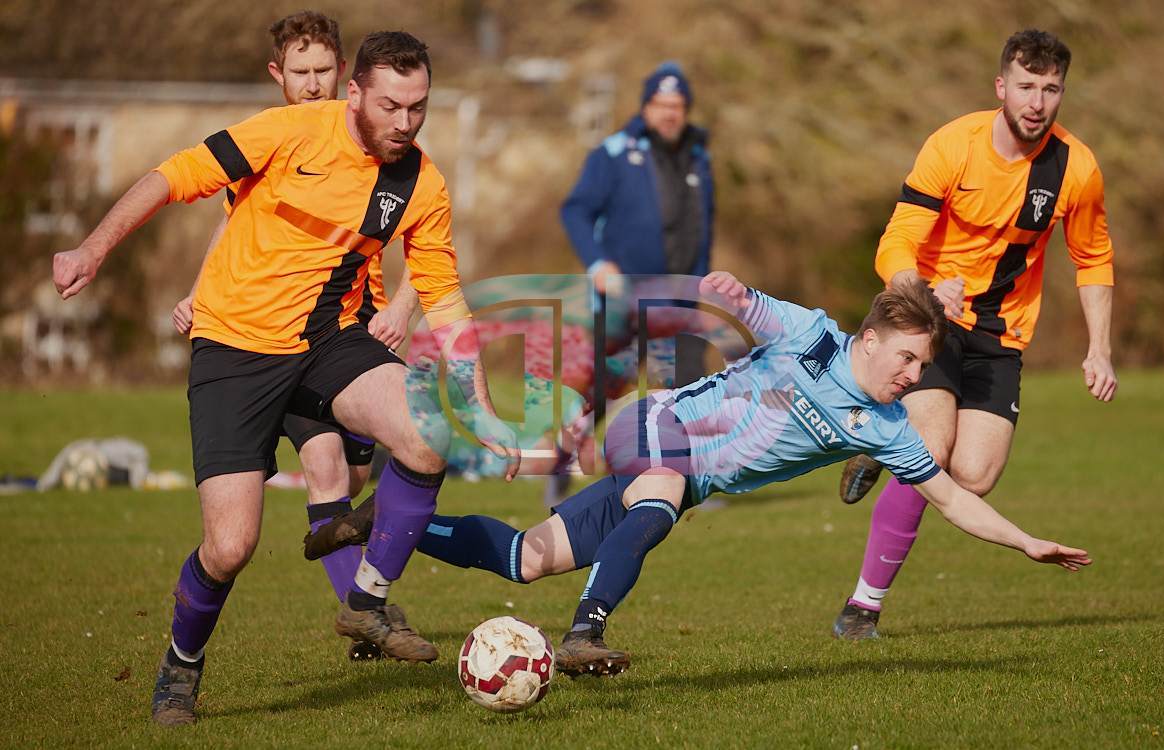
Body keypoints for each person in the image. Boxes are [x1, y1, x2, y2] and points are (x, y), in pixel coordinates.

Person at [52, 30, 518, 726]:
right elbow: (171, 176)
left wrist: (480, 406)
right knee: (230, 547)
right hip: (233, 350)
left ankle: (366, 601)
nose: (405, 122)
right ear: (355, 93)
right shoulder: (288, 132)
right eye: (391, 106)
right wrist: (94, 248)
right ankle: (181, 664)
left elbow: (444, 297)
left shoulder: (420, 183)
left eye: (418, 107)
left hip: (327, 339)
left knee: (428, 434)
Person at [307, 271, 1092, 677]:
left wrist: (1027, 542)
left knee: (526, 557)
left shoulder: (886, 427)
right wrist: (731, 293)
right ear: (874, 338)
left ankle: (389, 520)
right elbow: (754, 307)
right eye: (910, 359)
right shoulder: (815, 337)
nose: (916, 377)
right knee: (659, 501)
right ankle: (584, 634)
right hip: (659, 425)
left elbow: (951, 497)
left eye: (924, 366)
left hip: (685, 477)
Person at [832, 29, 1117, 640]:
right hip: (932, 320)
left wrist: (1100, 348)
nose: (1037, 103)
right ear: (1000, 87)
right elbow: (896, 240)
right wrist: (922, 293)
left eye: (1050, 89)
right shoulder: (953, 145)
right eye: (1025, 87)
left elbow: (1093, 258)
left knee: (976, 475)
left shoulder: (1077, 168)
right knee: (929, 450)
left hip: (1002, 332)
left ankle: (884, 441)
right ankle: (863, 607)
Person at [169, 11, 418, 664]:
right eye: (300, 72)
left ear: (345, 74)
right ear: (277, 76)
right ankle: (364, 613)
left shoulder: (381, 146)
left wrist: (405, 308)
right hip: (272, 339)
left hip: (352, 335)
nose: (312, 84)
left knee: (357, 474)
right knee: (324, 469)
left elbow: (427, 245)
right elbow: (231, 230)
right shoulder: (270, 144)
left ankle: (344, 550)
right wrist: (198, 293)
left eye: (323, 71)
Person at [555, 61, 716, 501]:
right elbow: (575, 210)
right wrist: (597, 264)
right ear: (645, 107)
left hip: (680, 297)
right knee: (605, 387)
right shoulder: (613, 153)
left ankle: (692, 481)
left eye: (677, 105)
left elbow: (704, 225)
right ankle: (561, 458)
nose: (669, 113)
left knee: (692, 387)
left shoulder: (699, 156)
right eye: (661, 104)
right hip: (624, 296)